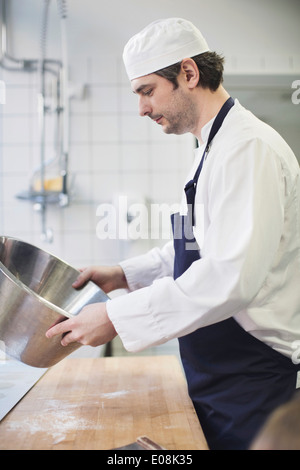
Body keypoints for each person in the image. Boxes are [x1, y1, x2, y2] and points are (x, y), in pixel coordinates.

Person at [46, 18, 300, 450]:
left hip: (251, 380)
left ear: (189, 73)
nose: (142, 108)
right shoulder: (209, 147)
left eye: (147, 91)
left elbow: (227, 276)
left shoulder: (247, 148)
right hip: (219, 373)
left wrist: (113, 317)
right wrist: (124, 274)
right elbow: (192, 246)